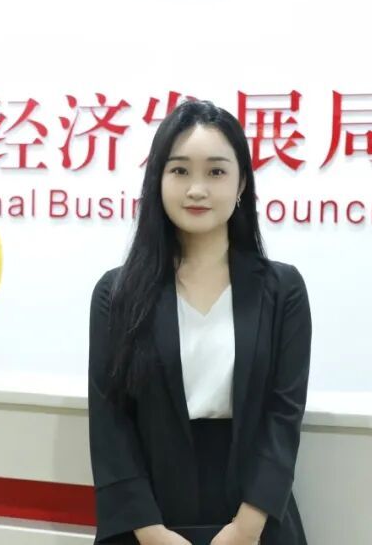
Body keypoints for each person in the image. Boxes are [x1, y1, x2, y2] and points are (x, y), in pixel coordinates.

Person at [87, 99, 312, 544]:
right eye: (179, 170)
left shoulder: (282, 290)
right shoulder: (117, 294)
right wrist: (151, 533)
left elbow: (283, 417)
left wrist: (246, 528)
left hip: (255, 520)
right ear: (157, 180)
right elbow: (110, 424)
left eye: (215, 172)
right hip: (148, 522)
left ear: (241, 182)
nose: (196, 189)